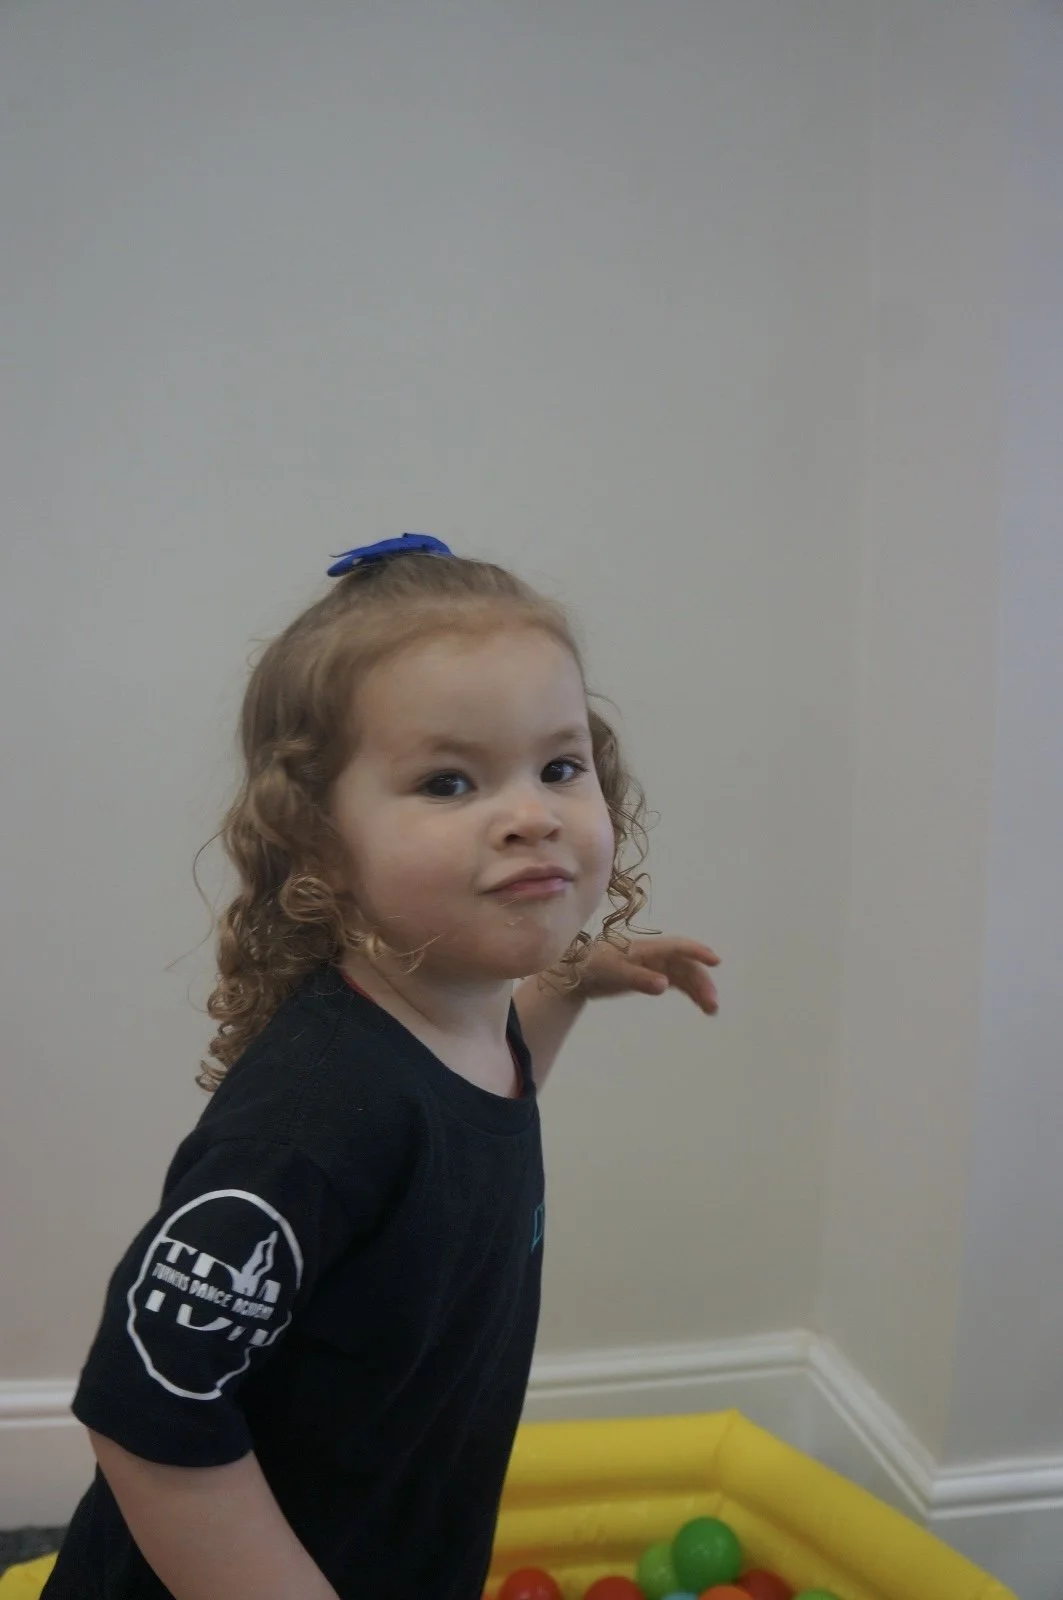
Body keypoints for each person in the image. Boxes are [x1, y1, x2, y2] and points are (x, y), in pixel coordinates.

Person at [42, 536, 721, 1600]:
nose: (533, 813)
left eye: (559, 766)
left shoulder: (455, 1014)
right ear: (317, 840)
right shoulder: (309, 1122)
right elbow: (149, 1410)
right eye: (449, 781)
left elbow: (471, 1124)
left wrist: (570, 983)